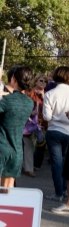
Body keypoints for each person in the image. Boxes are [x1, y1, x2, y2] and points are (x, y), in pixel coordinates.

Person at [43, 66, 69, 202]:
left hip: (54, 130)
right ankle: (65, 189)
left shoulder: (50, 94)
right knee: (65, 163)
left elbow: (46, 117)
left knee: (56, 164)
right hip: (68, 131)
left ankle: (58, 193)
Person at [22, 74, 47, 177]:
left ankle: (31, 165)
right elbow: (24, 106)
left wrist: (44, 96)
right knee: (29, 146)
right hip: (30, 124)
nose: (43, 83)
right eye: (41, 80)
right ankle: (29, 168)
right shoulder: (30, 93)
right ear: (35, 81)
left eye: (45, 81)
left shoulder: (48, 94)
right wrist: (29, 113)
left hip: (42, 125)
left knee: (39, 146)